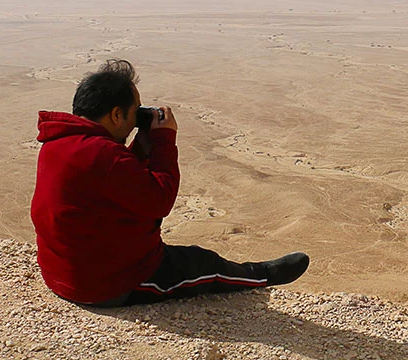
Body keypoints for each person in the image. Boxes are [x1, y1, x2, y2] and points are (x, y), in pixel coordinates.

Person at [30, 58, 309, 307]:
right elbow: (159, 200)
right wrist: (164, 140)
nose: (138, 115)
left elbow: (120, 178)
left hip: (60, 274)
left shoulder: (59, 144)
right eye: (135, 110)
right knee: (201, 264)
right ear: (116, 114)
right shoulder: (104, 154)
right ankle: (261, 276)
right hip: (108, 286)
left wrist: (143, 141)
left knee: (186, 257)